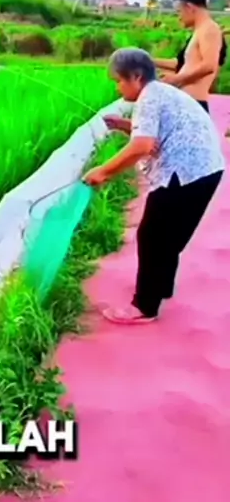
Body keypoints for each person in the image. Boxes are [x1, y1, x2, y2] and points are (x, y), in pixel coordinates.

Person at [85, 48, 224, 325]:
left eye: (119, 80)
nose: (117, 87)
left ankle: (144, 306)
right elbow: (154, 133)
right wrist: (126, 125)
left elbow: (142, 145)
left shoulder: (149, 97)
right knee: (166, 238)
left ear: (136, 77)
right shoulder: (160, 92)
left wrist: (103, 171)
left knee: (153, 237)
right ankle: (158, 289)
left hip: (185, 173)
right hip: (205, 170)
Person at [153, 0, 225, 113]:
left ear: (189, 7)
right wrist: (150, 61)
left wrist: (176, 79)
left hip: (194, 103)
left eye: (179, 12)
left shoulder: (210, 29)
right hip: (187, 101)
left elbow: (209, 65)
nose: (179, 18)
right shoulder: (200, 31)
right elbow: (184, 64)